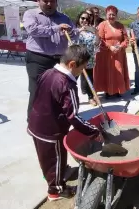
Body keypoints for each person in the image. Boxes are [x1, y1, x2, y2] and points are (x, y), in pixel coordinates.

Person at [27, 45, 101, 201]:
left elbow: (35, 94)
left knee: (45, 157)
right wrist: (94, 131)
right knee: (57, 158)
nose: (82, 72)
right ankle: (56, 190)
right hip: (51, 131)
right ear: (72, 64)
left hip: (35, 124)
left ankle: (52, 175)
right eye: (82, 69)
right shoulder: (67, 85)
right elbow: (73, 116)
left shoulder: (47, 72)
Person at [23, 0, 76, 120]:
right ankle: (33, 122)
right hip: (38, 59)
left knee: (58, 91)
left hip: (60, 60)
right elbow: (33, 29)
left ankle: (53, 119)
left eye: (52, 1)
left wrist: (72, 32)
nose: (49, 4)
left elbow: (75, 33)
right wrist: (56, 28)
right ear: (39, 2)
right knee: (37, 90)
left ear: (56, 2)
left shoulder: (64, 17)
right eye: (45, 1)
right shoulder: (30, 14)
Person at [93, 5, 130, 98]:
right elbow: (100, 39)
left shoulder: (120, 26)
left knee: (118, 71)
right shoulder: (102, 25)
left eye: (113, 15)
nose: (111, 16)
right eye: (109, 14)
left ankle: (117, 90)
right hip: (106, 54)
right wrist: (110, 47)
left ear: (116, 15)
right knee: (107, 71)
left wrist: (121, 46)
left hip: (118, 53)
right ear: (106, 15)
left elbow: (126, 39)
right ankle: (107, 91)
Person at [75, 11, 100, 106]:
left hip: (89, 60)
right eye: (82, 18)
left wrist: (96, 34)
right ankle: (72, 97)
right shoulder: (74, 30)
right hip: (76, 60)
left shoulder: (91, 32)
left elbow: (97, 44)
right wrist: (79, 31)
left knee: (89, 80)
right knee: (73, 80)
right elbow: (70, 43)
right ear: (79, 19)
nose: (84, 20)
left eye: (87, 19)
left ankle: (90, 97)